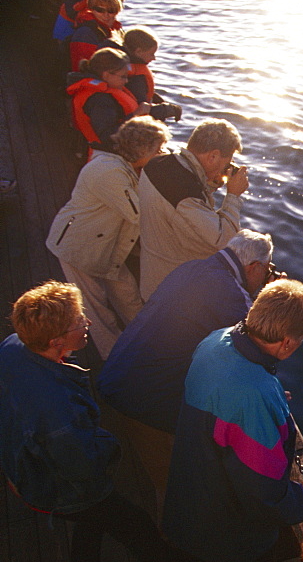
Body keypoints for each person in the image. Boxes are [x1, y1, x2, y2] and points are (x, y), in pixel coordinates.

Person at [0, 281, 216, 562]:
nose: (86, 323)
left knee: (92, 520)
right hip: (62, 484)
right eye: (78, 321)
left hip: (25, 469)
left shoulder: (13, 346)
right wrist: (110, 446)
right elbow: (83, 464)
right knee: (133, 524)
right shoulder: (57, 408)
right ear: (56, 341)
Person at [161, 278, 303, 562]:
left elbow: (224, 406)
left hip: (191, 490)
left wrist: (267, 398)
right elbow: (265, 490)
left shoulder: (215, 341)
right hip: (229, 529)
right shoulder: (254, 395)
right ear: (287, 343)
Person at [97, 229, 279, 503]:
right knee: (174, 481)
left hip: (116, 372)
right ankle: (175, 536)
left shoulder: (191, 268)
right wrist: (270, 297)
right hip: (141, 395)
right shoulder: (230, 294)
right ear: (254, 267)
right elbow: (258, 351)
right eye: (267, 270)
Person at [46, 115, 169, 359]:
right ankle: (115, 360)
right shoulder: (108, 172)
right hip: (79, 248)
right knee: (98, 311)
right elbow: (140, 215)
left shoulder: (130, 166)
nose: (162, 153)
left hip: (108, 247)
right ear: (141, 150)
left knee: (129, 297)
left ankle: (149, 340)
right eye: (158, 149)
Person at [138, 118, 249, 300]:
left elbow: (179, 213)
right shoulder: (185, 193)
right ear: (212, 156)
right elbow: (223, 240)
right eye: (226, 162)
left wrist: (209, 185)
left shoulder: (158, 163)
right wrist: (233, 196)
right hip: (170, 290)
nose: (227, 168)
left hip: (152, 267)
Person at [67, 48, 151, 155]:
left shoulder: (104, 92)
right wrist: (135, 115)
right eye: (123, 76)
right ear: (106, 75)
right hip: (106, 155)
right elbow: (108, 136)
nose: (126, 81)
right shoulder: (99, 100)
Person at [122, 26, 183, 122]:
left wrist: (158, 100)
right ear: (138, 52)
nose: (154, 58)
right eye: (151, 54)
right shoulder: (136, 78)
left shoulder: (126, 66)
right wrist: (169, 109)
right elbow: (144, 110)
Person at [69, 0, 125, 72]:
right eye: (100, 10)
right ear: (91, 9)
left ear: (117, 11)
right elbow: (83, 67)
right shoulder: (85, 33)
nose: (106, 15)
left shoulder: (117, 30)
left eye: (111, 10)